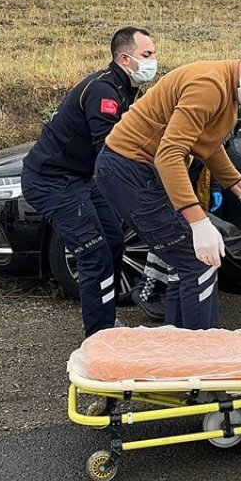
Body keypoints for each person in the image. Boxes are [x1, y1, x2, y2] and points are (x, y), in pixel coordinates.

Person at [94, 42, 241, 330]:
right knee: (199, 261)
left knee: (184, 263)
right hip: (128, 170)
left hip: (140, 171)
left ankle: (182, 347)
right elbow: (169, 154)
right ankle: (202, 355)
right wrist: (198, 222)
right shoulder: (209, 85)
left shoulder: (228, 92)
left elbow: (208, 146)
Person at [20, 27, 158, 337]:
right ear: (125, 58)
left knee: (114, 241)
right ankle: (99, 335)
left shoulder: (130, 88)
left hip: (81, 178)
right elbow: (109, 150)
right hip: (51, 181)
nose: (154, 60)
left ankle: (106, 319)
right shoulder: (104, 91)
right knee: (94, 253)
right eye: (147, 55)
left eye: (154, 53)